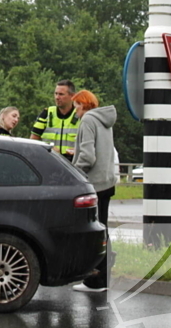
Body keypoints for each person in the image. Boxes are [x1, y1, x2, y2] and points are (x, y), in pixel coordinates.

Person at [70, 89, 117, 293]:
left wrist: (75, 173)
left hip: (93, 184)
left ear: (82, 104)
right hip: (107, 182)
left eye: (76, 107)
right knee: (103, 229)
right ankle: (104, 276)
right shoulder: (104, 120)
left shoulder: (88, 120)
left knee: (92, 232)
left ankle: (96, 279)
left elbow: (88, 157)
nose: (75, 112)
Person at [29, 79, 80, 159]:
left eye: (61, 94)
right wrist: (47, 148)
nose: (57, 97)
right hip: (49, 161)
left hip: (72, 164)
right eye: (56, 93)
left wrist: (77, 150)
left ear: (72, 96)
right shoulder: (47, 113)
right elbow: (33, 140)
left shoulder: (80, 115)